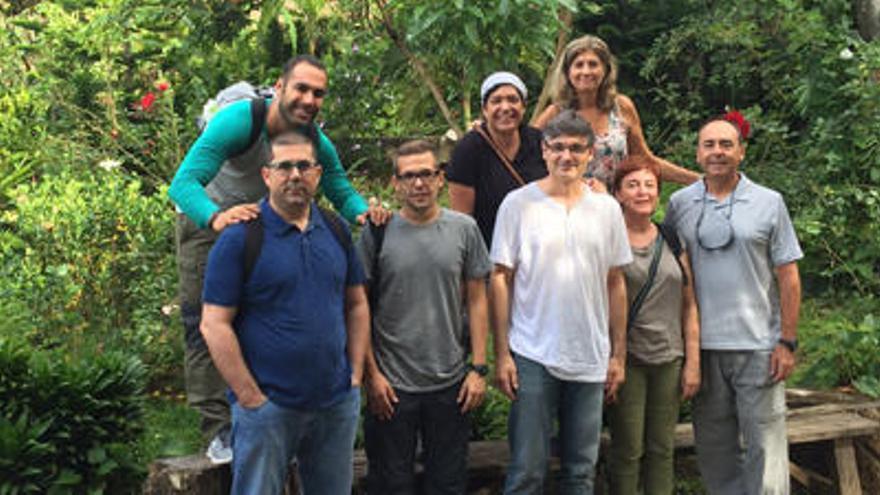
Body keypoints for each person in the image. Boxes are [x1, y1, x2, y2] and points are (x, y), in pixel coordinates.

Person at [168, 54, 383, 462]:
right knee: (205, 322)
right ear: (280, 87)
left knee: (262, 315)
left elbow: (336, 182)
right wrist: (215, 218)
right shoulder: (239, 121)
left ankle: (272, 409)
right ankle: (219, 430)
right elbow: (183, 183)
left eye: (318, 93)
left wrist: (361, 211)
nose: (309, 99)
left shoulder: (313, 139)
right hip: (207, 220)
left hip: (264, 224)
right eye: (301, 88)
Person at [199, 131, 369, 494]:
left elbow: (356, 303)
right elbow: (214, 324)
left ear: (318, 174)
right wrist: (249, 397)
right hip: (268, 408)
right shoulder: (240, 237)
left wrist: (354, 375)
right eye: (284, 166)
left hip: (334, 403)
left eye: (304, 166)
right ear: (267, 175)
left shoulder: (336, 230)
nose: (295, 174)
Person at [490, 110, 631, 494]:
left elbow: (616, 282)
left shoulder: (606, 209)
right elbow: (500, 278)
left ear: (590, 154)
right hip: (533, 352)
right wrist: (502, 353)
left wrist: (618, 354)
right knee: (527, 471)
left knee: (580, 472)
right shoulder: (517, 205)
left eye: (575, 148)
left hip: (590, 355)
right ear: (544, 151)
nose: (566, 156)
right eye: (557, 148)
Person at [664, 114, 802, 495]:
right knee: (714, 447)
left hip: (759, 345)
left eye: (726, 144)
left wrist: (786, 341)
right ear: (697, 153)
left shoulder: (769, 202)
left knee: (765, 447)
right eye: (709, 145)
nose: (717, 152)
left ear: (741, 152)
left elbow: (788, 274)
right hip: (703, 348)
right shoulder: (679, 204)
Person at [357, 140, 492, 494]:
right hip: (391, 388)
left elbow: (478, 299)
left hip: (450, 383)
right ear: (395, 183)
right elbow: (358, 308)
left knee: (447, 483)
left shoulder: (464, 229)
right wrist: (372, 376)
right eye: (409, 176)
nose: (418, 183)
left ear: (440, 179)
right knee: (391, 483)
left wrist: (479, 368)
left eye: (426, 174)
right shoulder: (376, 233)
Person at [606, 158, 701, 495]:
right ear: (617, 193)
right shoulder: (608, 240)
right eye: (632, 185)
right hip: (627, 362)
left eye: (649, 185)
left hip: (669, 359)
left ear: (659, 194)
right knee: (628, 450)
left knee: (662, 450)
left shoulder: (673, 238)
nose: (641, 191)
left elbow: (690, 304)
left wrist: (693, 362)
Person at [533, 35, 699, 191]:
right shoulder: (555, 114)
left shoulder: (621, 107)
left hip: (616, 207)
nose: (586, 71)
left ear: (605, 70)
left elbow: (644, 160)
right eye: (578, 65)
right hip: (570, 207)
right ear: (568, 73)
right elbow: (529, 159)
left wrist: (698, 180)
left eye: (593, 64)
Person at [446, 72, 547, 247]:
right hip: (490, 253)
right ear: (485, 110)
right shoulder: (468, 149)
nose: (505, 107)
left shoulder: (539, 141)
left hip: (539, 249)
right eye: (496, 101)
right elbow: (463, 220)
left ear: (523, 107)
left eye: (513, 100)